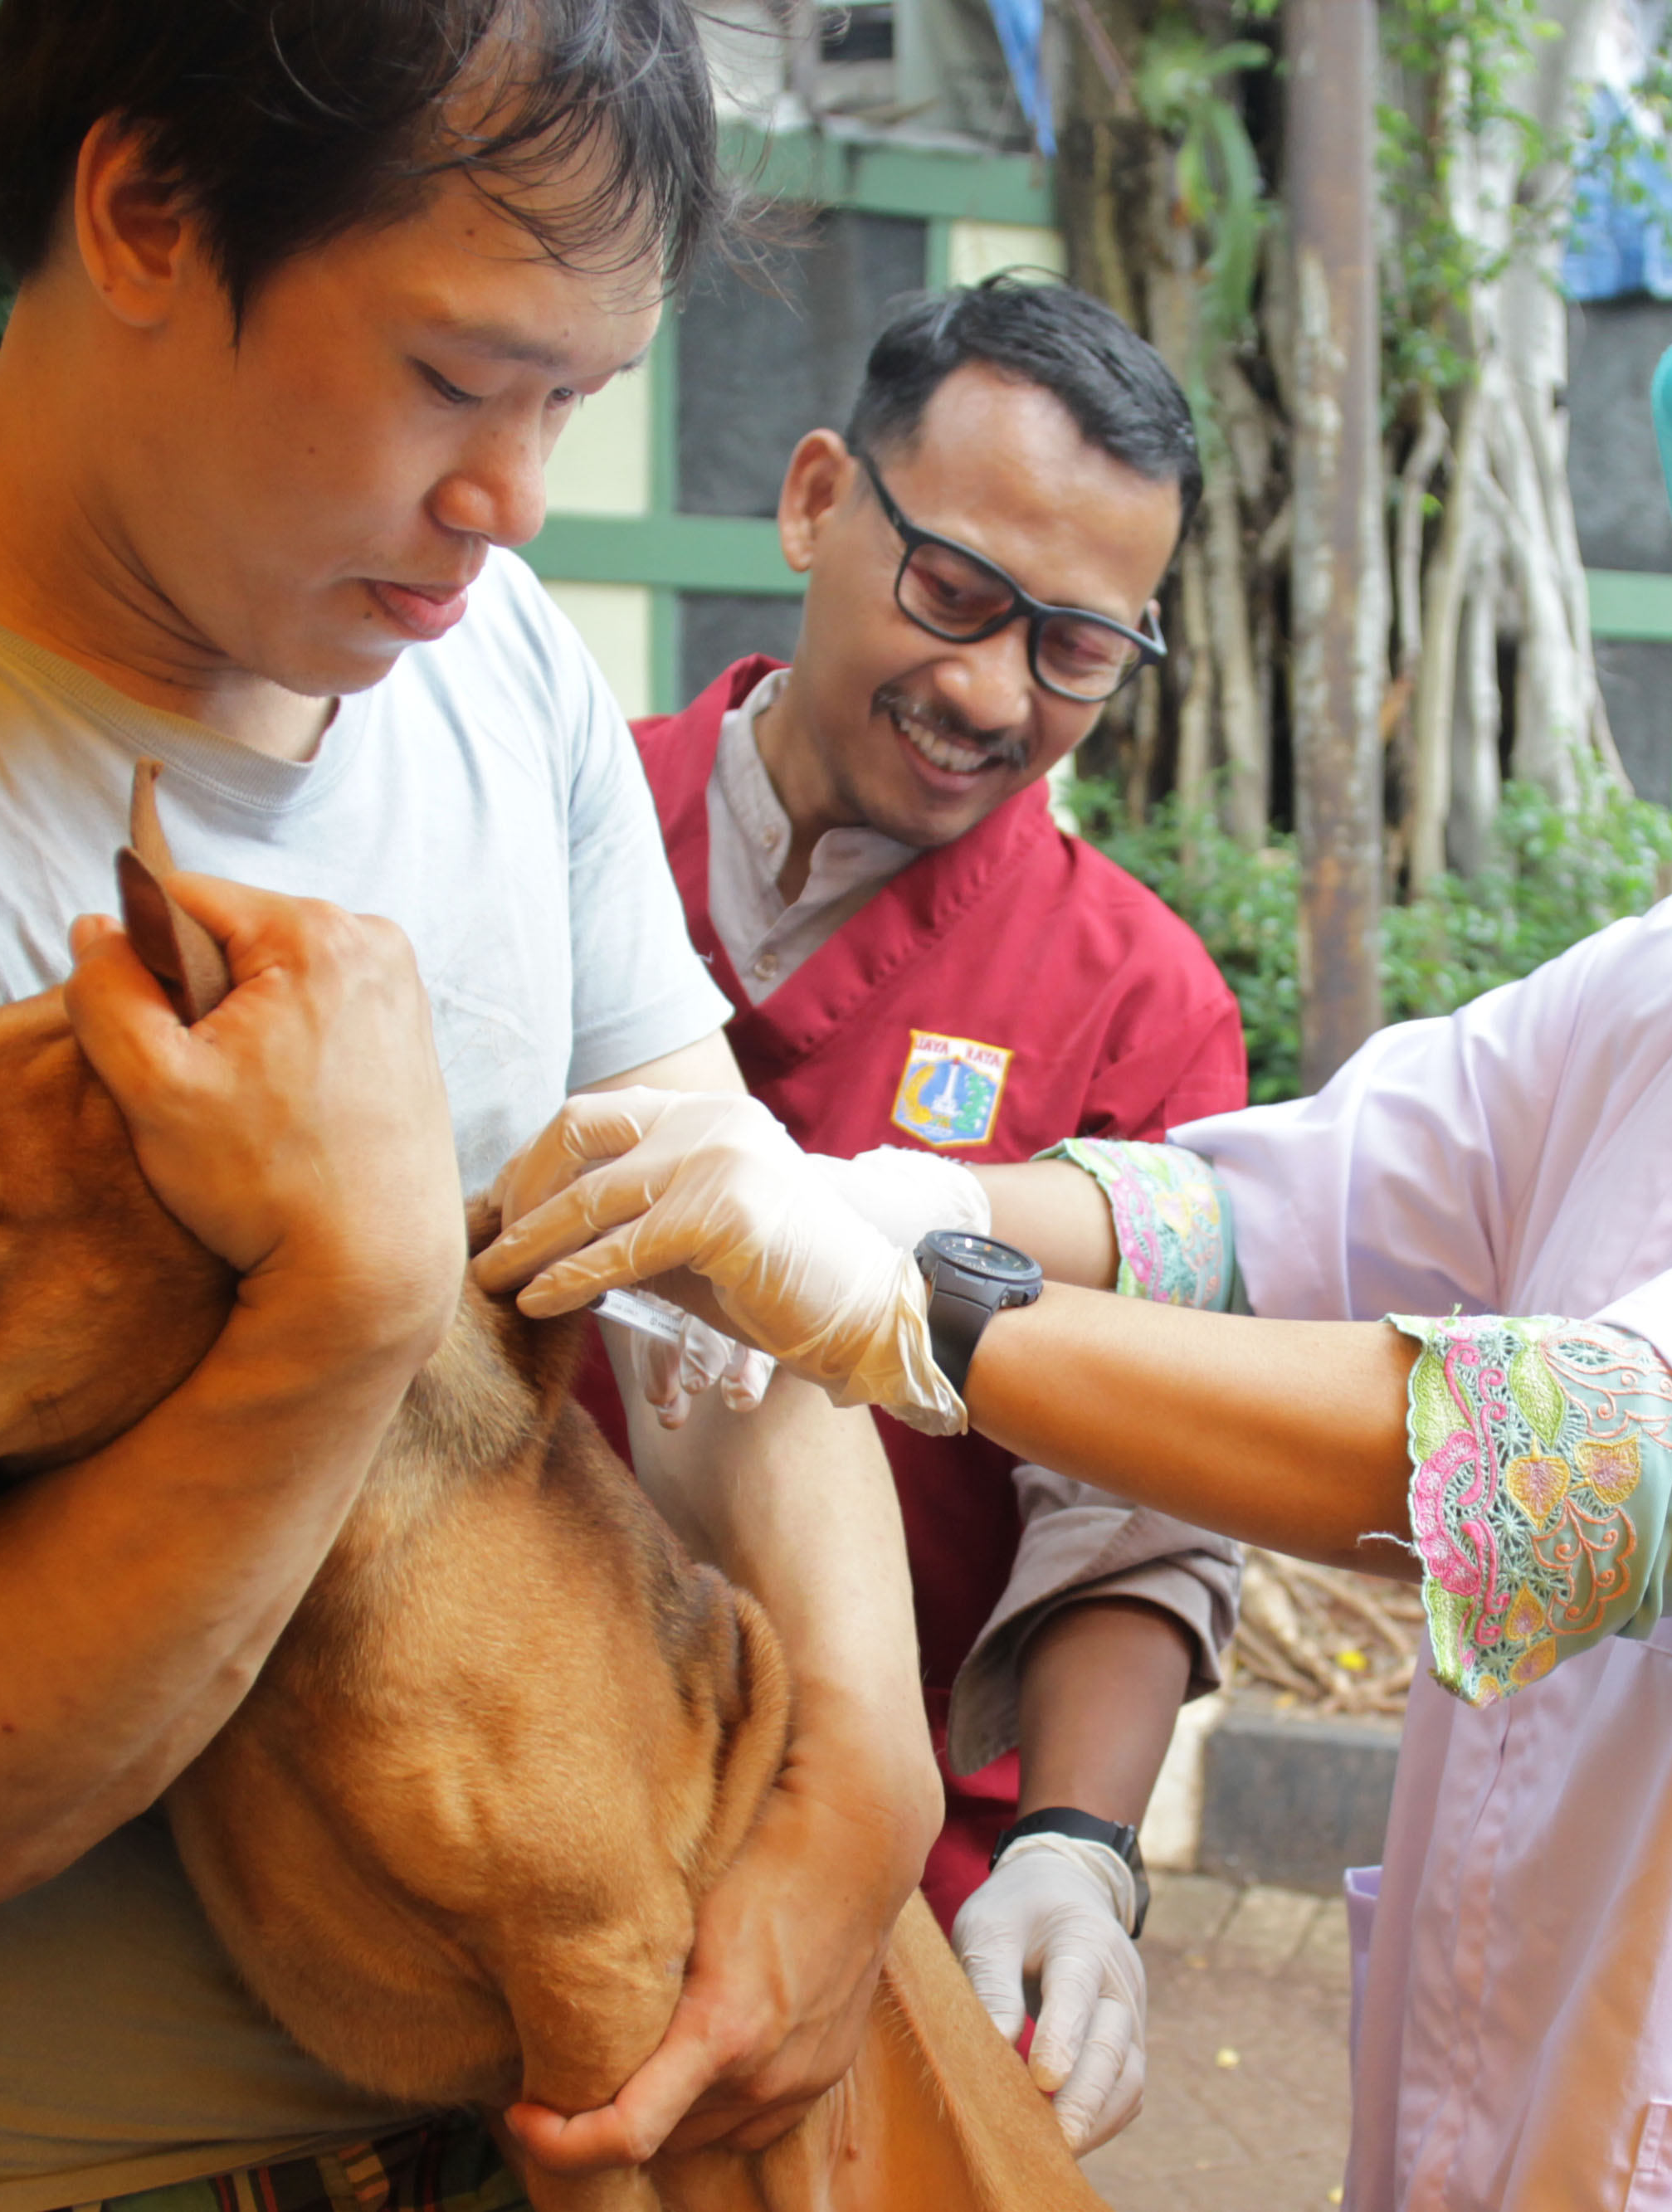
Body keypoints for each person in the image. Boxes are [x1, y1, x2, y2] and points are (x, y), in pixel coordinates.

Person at [477, 227, 1672, 2211]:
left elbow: (1594, 1480)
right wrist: (909, 1193)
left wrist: (916, 1314)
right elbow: (1254, 1212)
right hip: (1560, 2086)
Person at [0, 4, 942, 2206]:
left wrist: (865, 1780)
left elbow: (714, 1253)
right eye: (454, 377)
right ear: (144, 212)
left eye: (569, 403)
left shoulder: (495, 661)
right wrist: (343, 1305)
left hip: (499, 2113)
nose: (510, 499)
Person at [595, 275, 1249, 2154]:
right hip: (459, 1803)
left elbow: (1138, 1501)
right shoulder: (566, 835)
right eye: (951, 595)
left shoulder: (1134, 1003)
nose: (984, 692)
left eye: (1073, 652)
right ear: (814, 500)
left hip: (873, 1920)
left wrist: (1070, 1851)